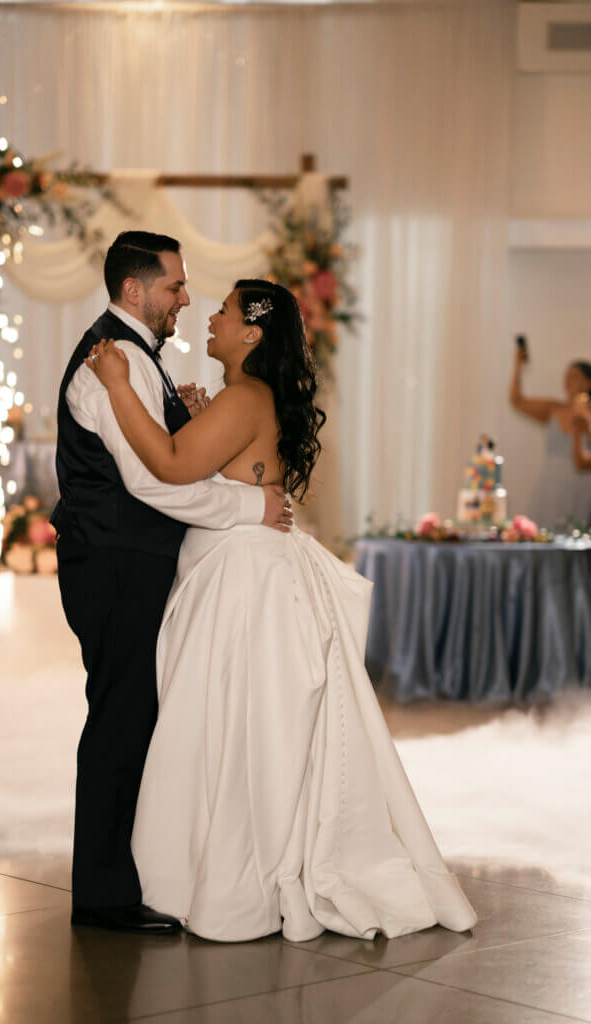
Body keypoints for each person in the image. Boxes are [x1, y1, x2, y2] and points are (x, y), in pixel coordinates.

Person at [85, 280, 478, 943]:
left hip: (242, 584)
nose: (209, 316)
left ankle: (227, 873)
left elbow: (171, 464)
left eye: (225, 311)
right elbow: (223, 462)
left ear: (251, 334)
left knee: (224, 725)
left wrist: (118, 383)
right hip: (241, 567)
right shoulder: (243, 399)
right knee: (227, 722)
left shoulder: (245, 398)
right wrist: (200, 413)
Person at [51, 233, 292, 935]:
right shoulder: (116, 360)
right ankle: (102, 894)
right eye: (176, 287)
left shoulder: (134, 359)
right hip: (115, 565)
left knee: (136, 718)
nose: (186, 299)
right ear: (135, 291)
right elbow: (156, 480)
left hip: (128, 561)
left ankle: (129, 874)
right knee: (121, 721)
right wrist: (254, 506)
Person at [509, 350, 591, 529]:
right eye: (566, 377)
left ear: (587, 382)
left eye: (574, 377)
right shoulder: (554, 409)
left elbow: (581, 461)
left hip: (582, 489)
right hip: (551, 488)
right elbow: (517, 400)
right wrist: (518, 366)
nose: (568, 381)